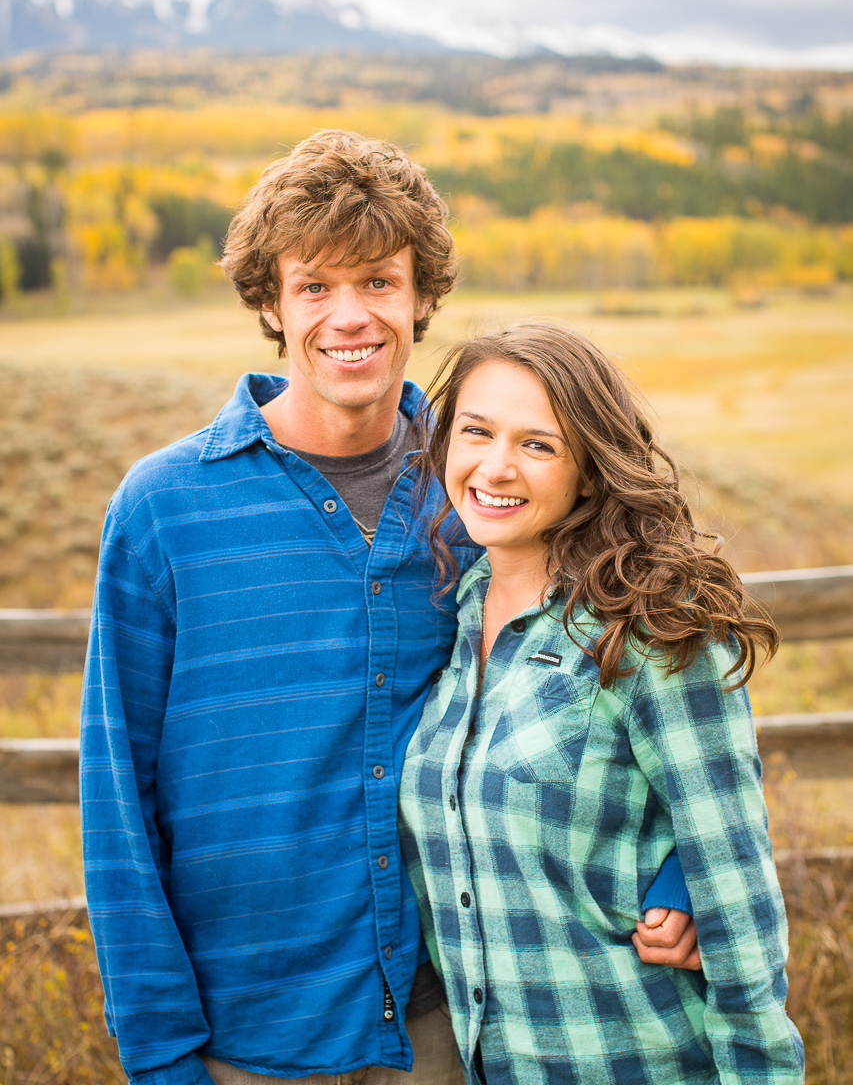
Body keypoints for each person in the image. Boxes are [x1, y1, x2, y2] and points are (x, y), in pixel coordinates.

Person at [80, 132, 697, 1085]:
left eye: (377, 281)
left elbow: (646, 647)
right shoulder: (164, 508)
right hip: (243, 1038)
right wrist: (159, 1052)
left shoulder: (483, 486)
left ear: (421, 298)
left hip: (451, 1021)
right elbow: (118, 790)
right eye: (313, 286)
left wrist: (685, 865)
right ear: (269, 306)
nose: (349, 316)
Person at [399, 321, 804, 1085]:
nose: (495, 465)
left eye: (537, 445)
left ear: (588, 469)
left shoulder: (647, 628)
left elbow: (736, 886)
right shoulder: (456, 613)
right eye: (476, 431)